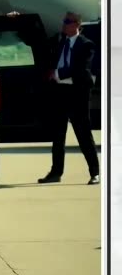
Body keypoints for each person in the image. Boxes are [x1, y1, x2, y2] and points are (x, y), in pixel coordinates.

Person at [37, 11, 100, 185]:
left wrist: (57, 73)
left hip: (77, 94)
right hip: (60, 94)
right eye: (64, 21)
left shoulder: (86, 45)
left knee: (83, 135)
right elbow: (38, 44)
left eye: (67, 21)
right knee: (58, 136)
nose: (64, 24)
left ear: (77, 25)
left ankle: (95, 172)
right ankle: (56, 172)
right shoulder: (59, 41)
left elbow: (79, 68)